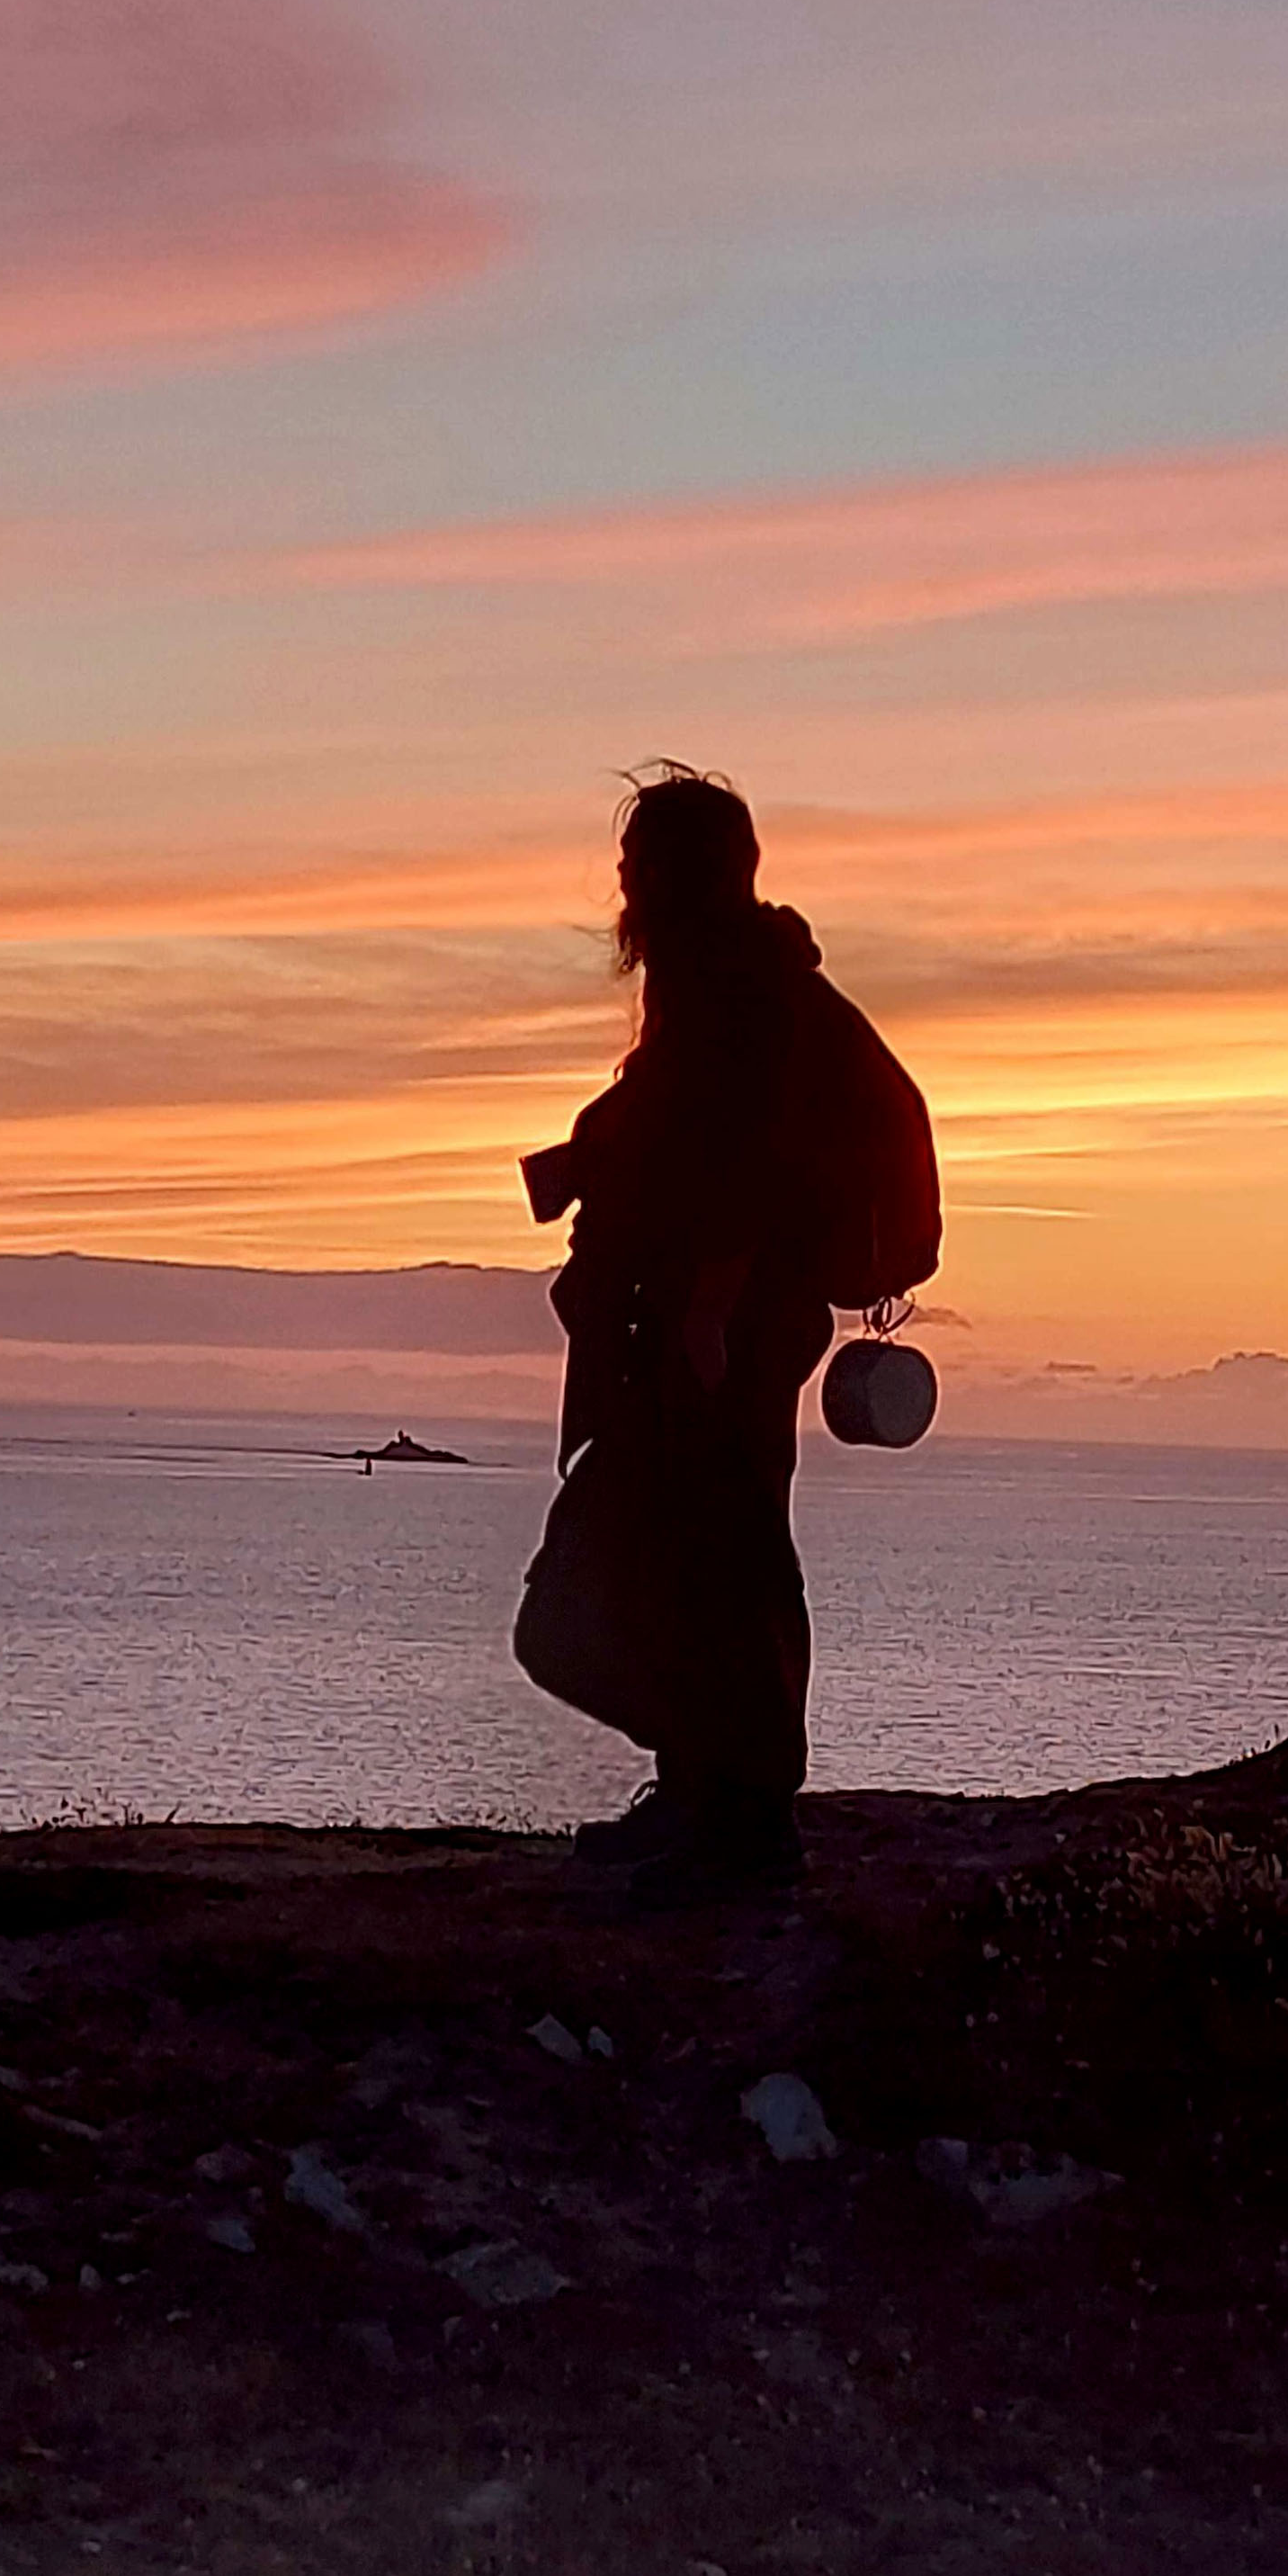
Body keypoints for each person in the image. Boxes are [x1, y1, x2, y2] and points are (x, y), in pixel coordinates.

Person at [513, 765, 940, 1906]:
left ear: (671, 875)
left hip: (720, 1329)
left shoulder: (737, 991)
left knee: (707, 1563)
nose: (620, 889)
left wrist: (705, 1312)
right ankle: (709, 1791)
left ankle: (739, 1808)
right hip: (693, 1325)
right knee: (660, 1573)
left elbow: (747, 1164)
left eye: (633, 865)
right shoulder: (719, 983)